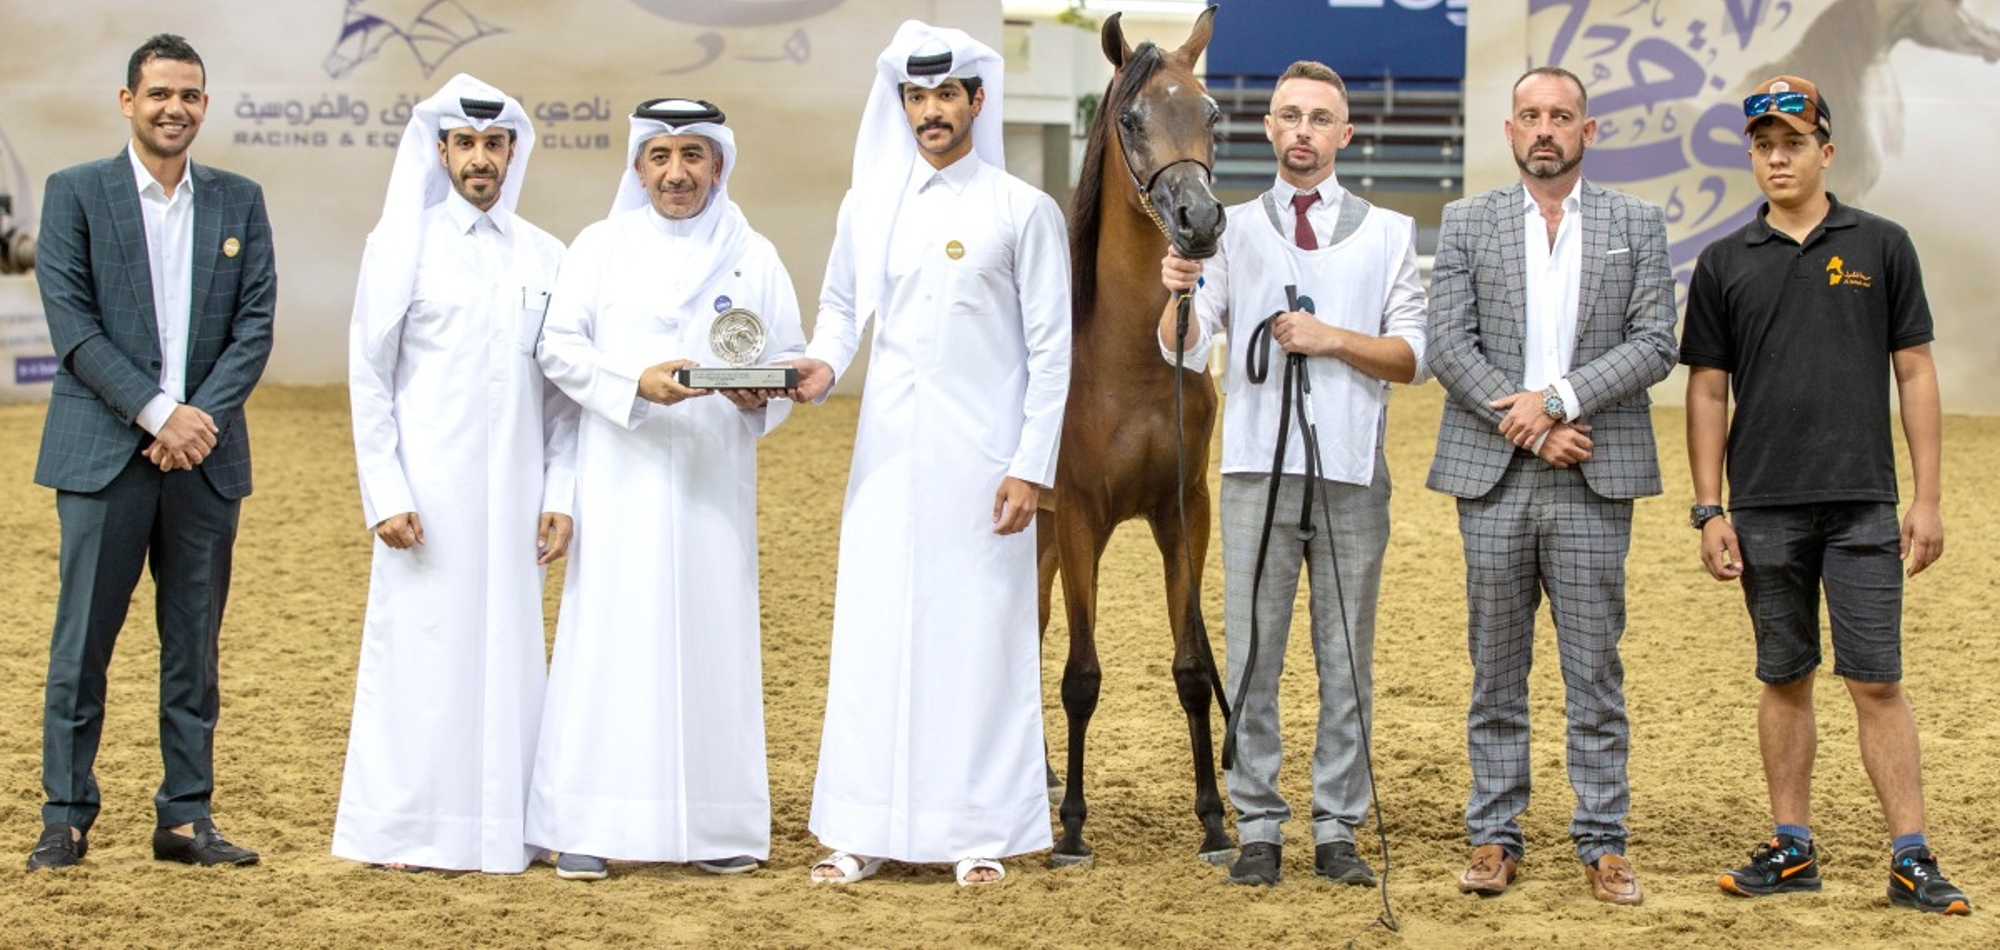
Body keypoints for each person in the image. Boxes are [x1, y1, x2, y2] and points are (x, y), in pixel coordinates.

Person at [791, 21, 1070, 887]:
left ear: (976, 101)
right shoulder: (868, 202)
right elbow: (840, 310)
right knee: (875, 635)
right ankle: (862, 828)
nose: (931, 112)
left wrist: (1031, 465)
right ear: (902, 104)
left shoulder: (1023, 209)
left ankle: (977, 832)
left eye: (946, 95)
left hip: (987, 469)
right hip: (885, 463)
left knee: (978, 640)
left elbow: (1053, 349)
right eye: (917, 97)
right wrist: (819, 363)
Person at [1685, 75, 1969, 916]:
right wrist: (1710, 509)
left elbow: (1914, 369)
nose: (1778, 157)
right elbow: (1707, 391)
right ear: (1752, 153)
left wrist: (1928, 498)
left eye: (1794, 142)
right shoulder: (1724, 261)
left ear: (1826, 150)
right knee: (1785, 676)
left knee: (1876, 680)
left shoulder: (1882, 245)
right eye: (1764, 144)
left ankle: (1911, 855)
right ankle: (1792, 846)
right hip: (1764, 505)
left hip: (1864, 506)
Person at [1156, 61, 1425, 888]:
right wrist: (1178, 290)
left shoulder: (1391, 233)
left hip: (1350, 471)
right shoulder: (1226, 230)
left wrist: (1329, 337)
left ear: (1345, 135)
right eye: (1288, 116)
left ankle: (1337, 822)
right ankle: (1262, 822)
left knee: (1346, 655)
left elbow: (1413, 356)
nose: (1303, 130)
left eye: (1319, 118)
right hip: (1252, 474)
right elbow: (1183, 346)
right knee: (1254, 655)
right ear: (1269, 130)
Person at [526, 98, 802, 882]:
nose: (676, 173)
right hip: (621, 475)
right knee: (609, 645)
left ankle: (717, 826)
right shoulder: (599, 245)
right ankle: (586, 822)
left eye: (692, 156)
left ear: (719, 163)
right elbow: (558, 349)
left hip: (714, 481)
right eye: (660, 156)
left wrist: (762, 395)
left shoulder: (757, 254)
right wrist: (635, 383)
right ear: (638, 165)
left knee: (713, 644)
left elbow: (784, 357)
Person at [1425, 66, 1676, 905]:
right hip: (1495, 476)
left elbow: (1654, 343)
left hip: (1592, 470)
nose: (1544, 129)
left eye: (1560, 116)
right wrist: (1529, 423)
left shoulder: (1637, 223)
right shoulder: (1467, 222)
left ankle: (1603, 840)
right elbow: (1447, 344)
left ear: (1587, 131)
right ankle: (1494, 834)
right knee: (1495, 670)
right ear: (1509, 130)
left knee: (1593, 670)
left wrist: (1558, 401)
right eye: (1530, 115)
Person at [27, 34, 274, 871]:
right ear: (127, 100)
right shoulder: (75, 194)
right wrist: (160, 414)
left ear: (205, 105)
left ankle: (185, 816)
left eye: (192, 95)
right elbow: (74, 328)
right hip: (105, 454)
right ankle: (65, 816)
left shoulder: (240, 200)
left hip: (204, 460)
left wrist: (195, 421)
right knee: (81, 647)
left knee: (194, 650)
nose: (176, 108)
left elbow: (253, 329)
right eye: (161, 92)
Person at [333, 74, 576, 874]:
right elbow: (369, 375)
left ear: (513, 151)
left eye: (494, 144)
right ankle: (404, 831)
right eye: (465, 144)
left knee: (510, 653)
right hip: (426, 494)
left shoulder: (548, 255)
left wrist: (560, 494)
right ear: (440, 151)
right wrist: (386, 492)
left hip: (514, 496)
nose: (480, 158)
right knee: (420, 655)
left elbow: (563, 395)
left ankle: (508, 828)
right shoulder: (398, 244)